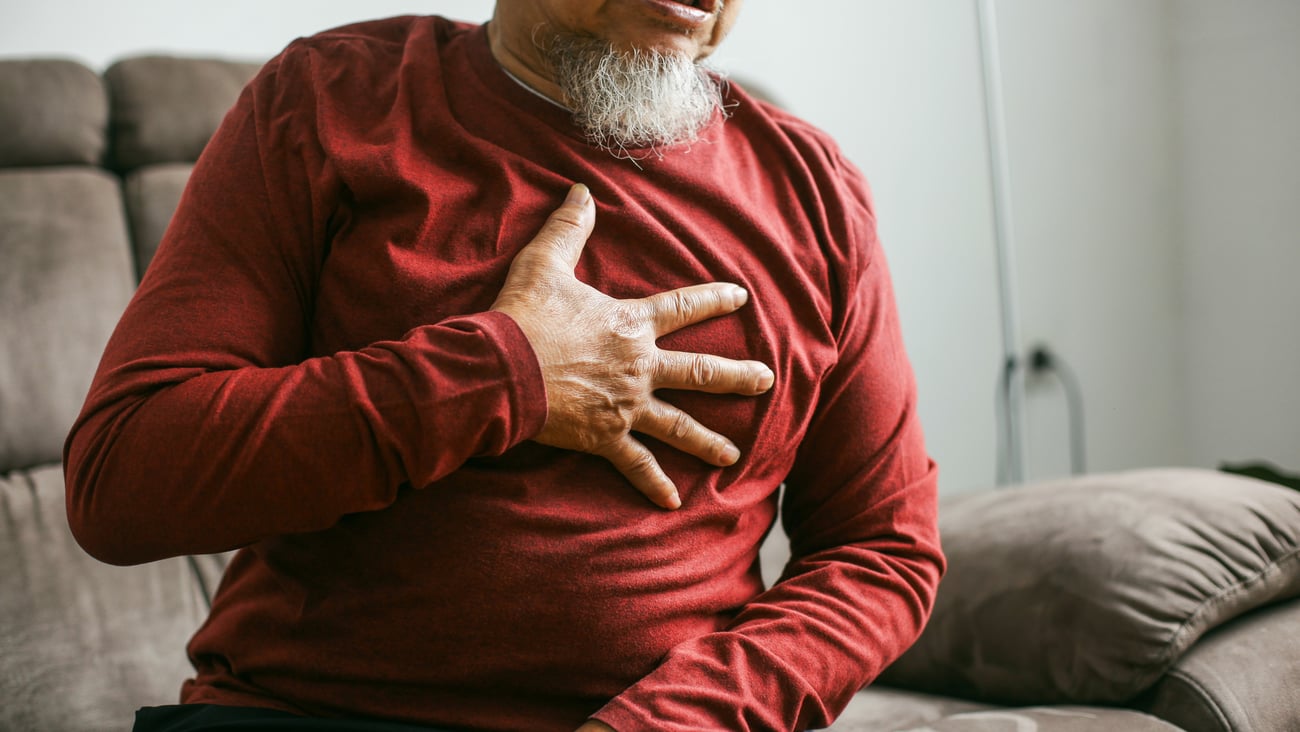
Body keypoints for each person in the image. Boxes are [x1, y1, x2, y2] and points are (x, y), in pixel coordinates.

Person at [64, 1, 945, 730]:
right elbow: (122, 478)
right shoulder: (331, 100)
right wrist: (507, 373)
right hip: (309, 709)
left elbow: (883, 549)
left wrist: (686, 719)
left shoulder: (813, 189)